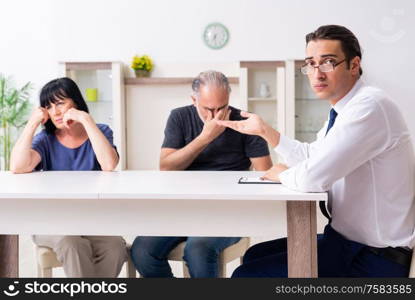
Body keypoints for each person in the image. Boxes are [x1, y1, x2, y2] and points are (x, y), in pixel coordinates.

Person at [217, 25, 415, 277]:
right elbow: (312, 157)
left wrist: (281, 174)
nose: (316, 73)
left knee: (246, 276)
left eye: (328, 62)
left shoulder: (370, 107)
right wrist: (266, 131)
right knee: (255, 254)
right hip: (346, 244)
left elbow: (313, 178)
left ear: (354, 65)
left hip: (372, 258)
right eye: (311, 63)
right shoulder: (345, 109)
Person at [131, 70, 273, 277]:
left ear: (229, 99)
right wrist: (205, 138)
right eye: (208, 109)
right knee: (142, 250)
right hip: (185, 206)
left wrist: (261, 133)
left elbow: (265, 174)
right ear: (193, 100)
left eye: (221, 108)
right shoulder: (179, 116)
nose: (215, 116)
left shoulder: (243, 121)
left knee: (198, 249)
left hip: (229, 209)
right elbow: (166, 166)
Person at [10, 77, 127, 278]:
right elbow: (18, 167)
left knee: (115, 246)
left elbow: (109, 164)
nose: (55, 111)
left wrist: (86, 120)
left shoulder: (100, 132)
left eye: (60, 103)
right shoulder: (46, 139)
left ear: (76, 102)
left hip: (90, 220)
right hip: (51, 221)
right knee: (72, 243)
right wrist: (32, 123)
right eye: (48, 106)